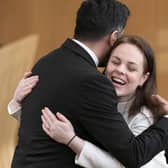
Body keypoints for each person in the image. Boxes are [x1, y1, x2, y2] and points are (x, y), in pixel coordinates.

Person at [9, 0, 168, 167]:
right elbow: (132, 154)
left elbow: (44, 126)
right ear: (113, 37)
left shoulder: (44, 63)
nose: (121, 70)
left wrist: (17, 104)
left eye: (131, 68)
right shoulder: (92, 81)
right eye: (116, 61)